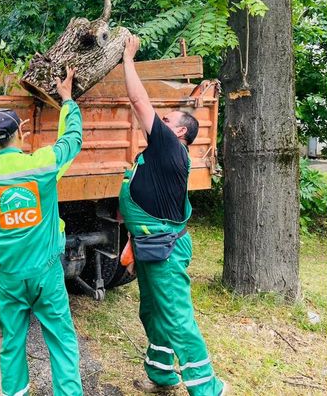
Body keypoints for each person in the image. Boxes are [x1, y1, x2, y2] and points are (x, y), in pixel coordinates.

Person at [118, 35, 228, 395]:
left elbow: (138, 100)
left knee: (178, 319)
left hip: (165, 252)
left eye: (166, 119)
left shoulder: (170, 146)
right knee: (152, 313)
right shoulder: (159, 153)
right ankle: (162, 371)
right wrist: (132, 241)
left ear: (179, 131)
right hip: (151, 246)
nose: (159, 120)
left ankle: (207, 386)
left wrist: (128, 59)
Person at [0, 68, 84, 396]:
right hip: (46, 274)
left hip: (8, 278)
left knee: (12, 342)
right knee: (61, 341)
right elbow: (72, 140)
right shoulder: (44, 166)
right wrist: (67, 100)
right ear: (21, 131)